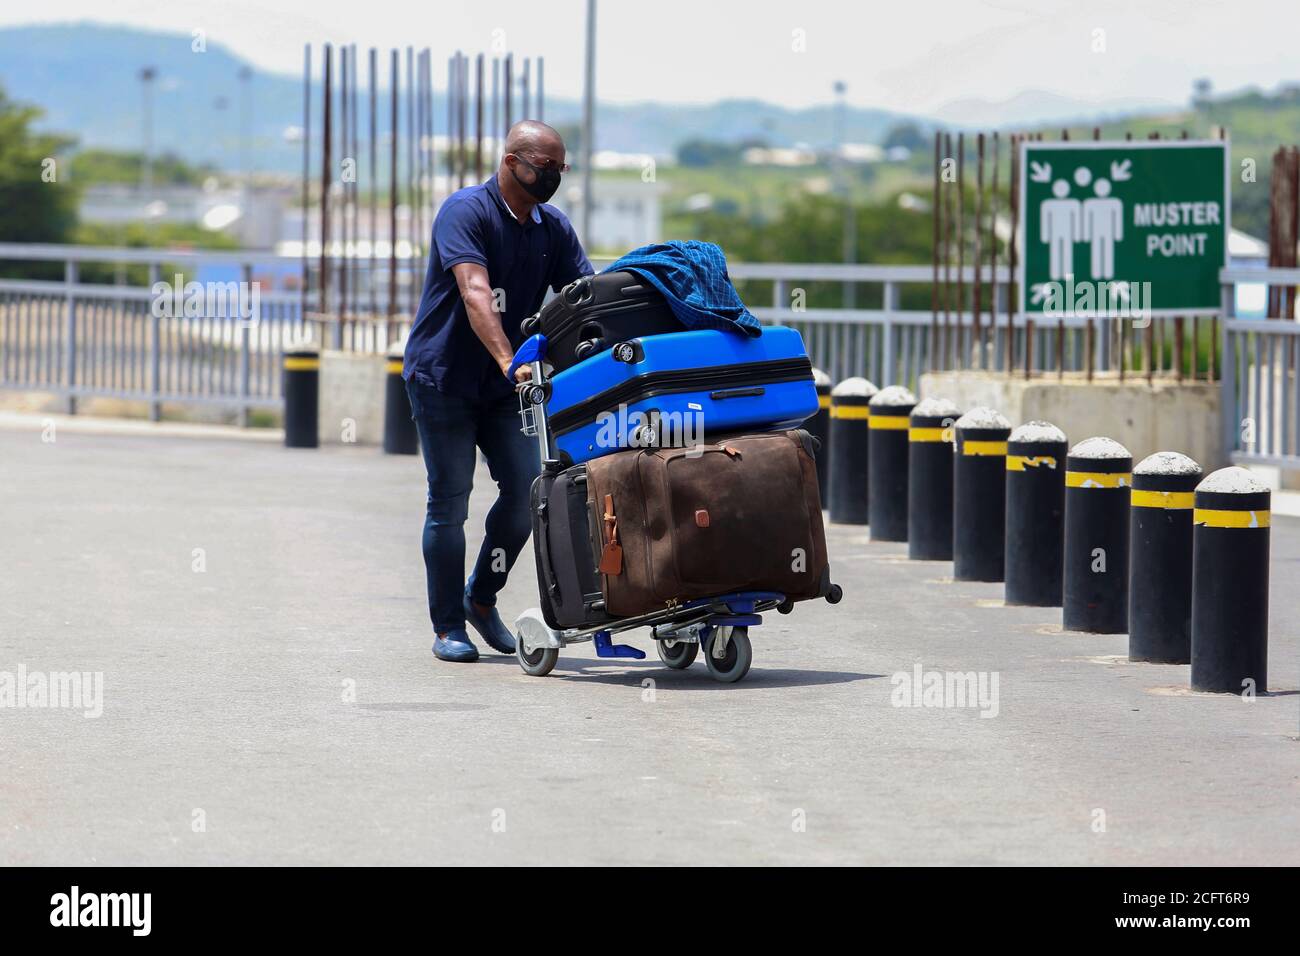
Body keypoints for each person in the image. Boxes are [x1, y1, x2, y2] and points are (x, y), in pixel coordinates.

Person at [403, 120, 592, 662]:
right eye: (545, 167)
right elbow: (475, 291)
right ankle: (447, 628)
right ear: (511, 162)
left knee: (527, 495)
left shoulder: (551, 228)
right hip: (444, 379)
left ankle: (480, 599)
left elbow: (583, 298)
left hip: (506, 388)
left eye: (561, 168)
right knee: (450, 503)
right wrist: (511, 361)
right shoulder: (466, 212)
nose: (553, 176)